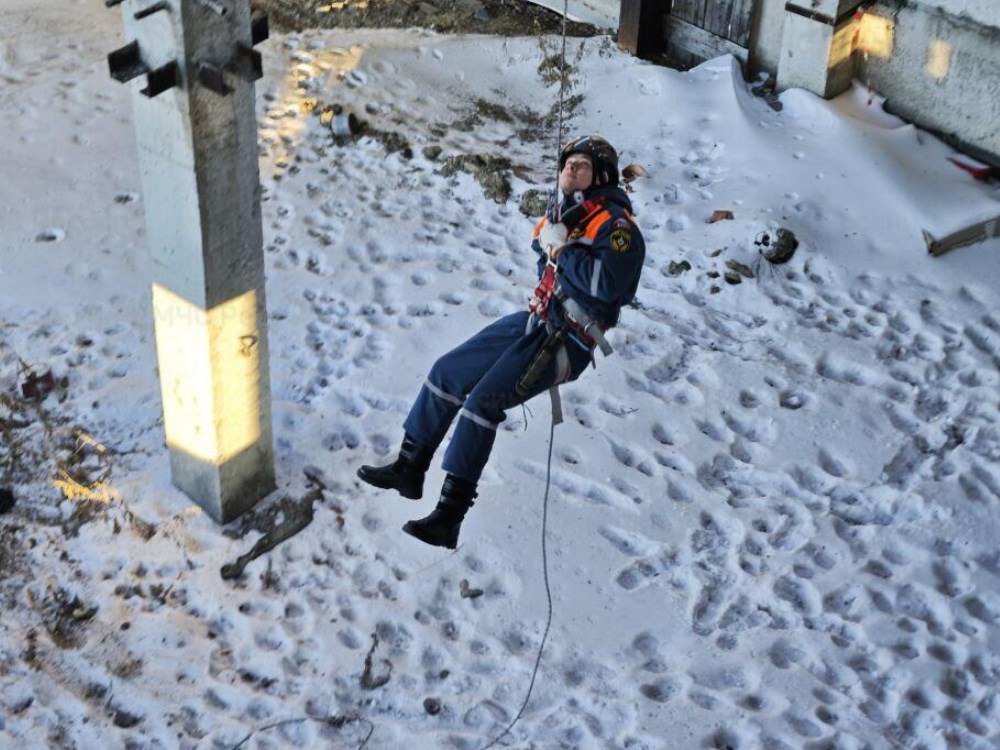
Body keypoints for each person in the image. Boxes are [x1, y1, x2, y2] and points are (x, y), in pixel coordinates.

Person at [357, 135, 646, 549]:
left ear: (600, 176)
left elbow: (610, 286)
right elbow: (540, 246)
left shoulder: (616, 226)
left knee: (483, 403)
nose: (570, 170)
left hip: (569, 338)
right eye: (568, 163)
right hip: (539, 317)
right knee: (448, 371)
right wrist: (553, 240)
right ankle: (409, 466)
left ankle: (448, 517)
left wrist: (563, 252)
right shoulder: (568, 211)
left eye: (581, 165)